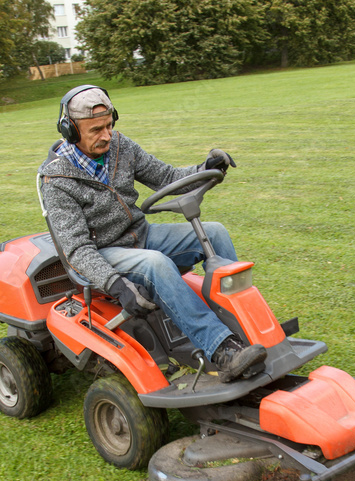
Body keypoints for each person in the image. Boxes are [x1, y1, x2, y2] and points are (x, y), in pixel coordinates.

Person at [38, 85, 266, 382]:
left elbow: (166, 177)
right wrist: (116, 285)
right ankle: (222, 351)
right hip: (103, 252)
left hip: (140, 235)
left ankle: (244, 330)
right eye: (96, 129)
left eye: (109, 126)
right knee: (155, 263)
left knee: (214, 233)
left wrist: (206, 167)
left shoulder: (120, 146)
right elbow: (77, 251)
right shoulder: (56, 179)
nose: (106, 135)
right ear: (70, 130)